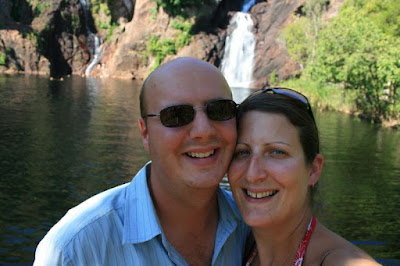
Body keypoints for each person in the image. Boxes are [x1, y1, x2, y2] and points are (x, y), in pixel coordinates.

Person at [33, 57, 249, 265]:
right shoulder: (75, 250)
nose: (203, 131)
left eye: (220, 110)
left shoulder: (255, 226)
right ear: (145, 133)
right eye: (176, 115)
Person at [227, 87, 380, 266]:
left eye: (277, 152)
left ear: (313, 170)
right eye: (242, 152)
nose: (253, 174)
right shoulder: (236, 246)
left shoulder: (344, 262)